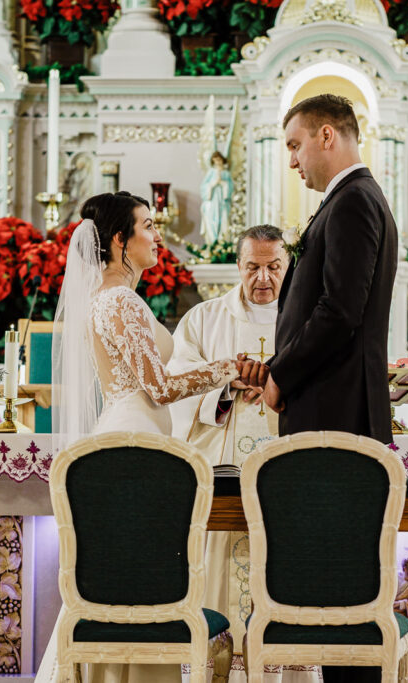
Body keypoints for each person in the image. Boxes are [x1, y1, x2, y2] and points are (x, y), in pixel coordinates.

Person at [39, 191, 241, 683]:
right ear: (118, 241)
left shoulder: (105, 297)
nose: (158, 235)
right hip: (137, 443)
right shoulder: (120, 300)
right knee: (144, 581)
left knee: (128, 579)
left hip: (130, 433)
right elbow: (159, 386)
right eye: (148, 226)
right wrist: (228, 368)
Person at [243, 93, 398, 683]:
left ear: (327, 135)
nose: (292, 161)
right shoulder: (349, 202)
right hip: (335, 415)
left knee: (341, 592)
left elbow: (339, 312)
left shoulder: (354, 202)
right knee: (335, 587)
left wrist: (281, 375)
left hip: (337, 422)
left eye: (295, 145)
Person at [169, 225, 318, 682]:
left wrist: (280, 389)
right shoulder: (203, 319)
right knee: (218, 574)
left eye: (274, 267)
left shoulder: (310, 322)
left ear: (287, 266)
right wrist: (225, 387)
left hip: (286, 474)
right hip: (222, 475)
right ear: (238, 266)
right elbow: (174, 389)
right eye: (253, 267)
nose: (263, 278)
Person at [200, 151, 234, 245]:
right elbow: (204, 186)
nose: (217, 162)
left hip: (222, 202)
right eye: (215, 160)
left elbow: (230, 187)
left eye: (219, 160)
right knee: (211, 221)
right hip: (212, 201)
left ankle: (222, 244)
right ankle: (212, 243)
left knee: (223, 222)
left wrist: (223, 183)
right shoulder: (211, 172)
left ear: (222, 160)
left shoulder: (226, 174)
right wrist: (213, 184)